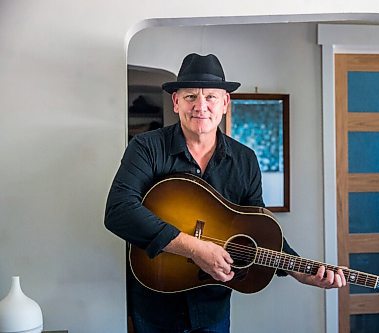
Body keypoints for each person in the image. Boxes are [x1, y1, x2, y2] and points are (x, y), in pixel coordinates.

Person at [105, 53, 346, 333]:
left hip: (212, 309)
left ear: (225, 104)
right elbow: (118, 211)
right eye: (191, 96)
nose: (201, 106)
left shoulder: (245, 160)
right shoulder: (146, 148)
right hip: (155, 301)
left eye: (211, 98)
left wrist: (298, 270)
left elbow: (258, 228)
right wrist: (194, 248)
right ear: (175, 102)